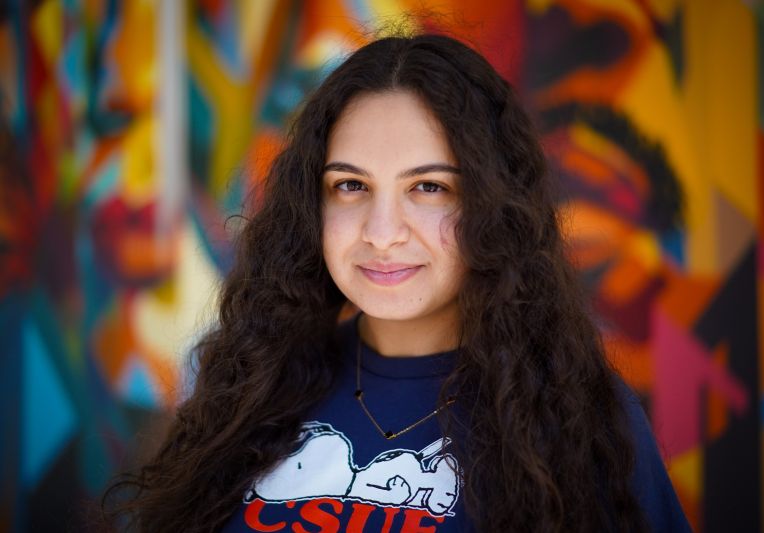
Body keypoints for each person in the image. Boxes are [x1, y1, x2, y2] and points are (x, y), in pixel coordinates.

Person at [103, 34, 691, 532]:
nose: (381, 233)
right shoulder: (250, 386)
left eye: (428, 187)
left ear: (492, 206)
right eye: (351, 186)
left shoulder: (579, 415)